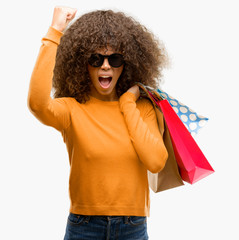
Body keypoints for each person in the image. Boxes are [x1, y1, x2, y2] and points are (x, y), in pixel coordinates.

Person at [28, 6, 169, 240]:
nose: (105, 66)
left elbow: (156, 162)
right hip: (84, 226)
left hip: (132, 226)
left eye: (114, 58)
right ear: (82, 63)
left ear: (127, 63)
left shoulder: (142, 108)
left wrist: (127, 103)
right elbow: (37, 104)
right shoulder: (72, 108)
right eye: (96, 59)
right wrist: (55, 32)